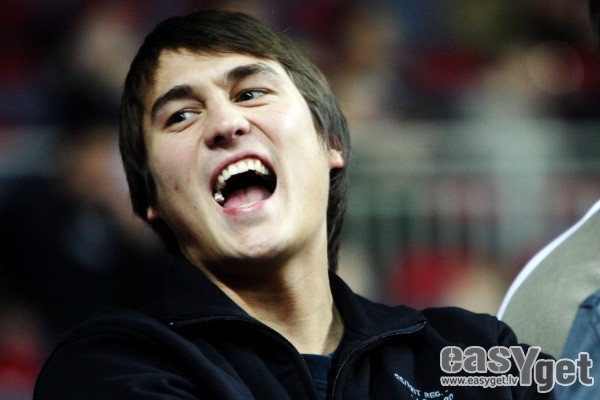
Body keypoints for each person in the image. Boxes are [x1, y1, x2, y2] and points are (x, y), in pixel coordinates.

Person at [34, 10, 555, 399]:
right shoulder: (109, 369)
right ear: (149, 197)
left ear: (331, 144)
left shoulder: (476, 352)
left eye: (251, 94)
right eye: (181, 116)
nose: (225, 123)